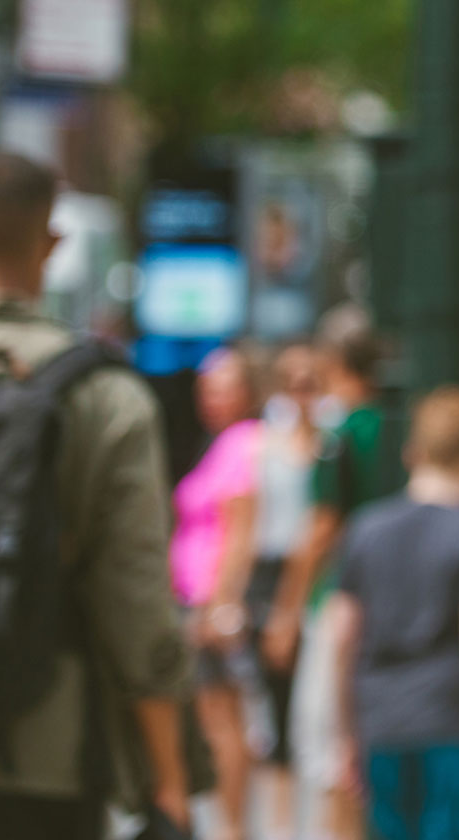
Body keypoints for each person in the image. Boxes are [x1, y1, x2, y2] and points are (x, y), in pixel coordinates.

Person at [0, 150, 192, 838]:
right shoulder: (106, 396)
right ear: (52, 244)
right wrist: (171, 778)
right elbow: (136, 597)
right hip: (50, 752)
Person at [330, 385, 459, 837]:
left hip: (382, 722)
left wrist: (346, 732)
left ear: (413, 452)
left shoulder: (364, 531)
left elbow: (342, 636)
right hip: (456, 728)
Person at [263, 328, 388, 840]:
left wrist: (286, 611)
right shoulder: (391, 426)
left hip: (337, 602)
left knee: (327, 742)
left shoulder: (339, 438)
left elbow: (320, 529)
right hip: (386, 604)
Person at [171, 345, 265, 840]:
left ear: (248, 392)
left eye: (224, 387)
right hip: (197, 597)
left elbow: (241, 531)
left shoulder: (244, 444)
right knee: (214, 719)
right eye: (206, 388)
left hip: (212, 603)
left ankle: (233, 830)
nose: (212, 398)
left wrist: (219, 603)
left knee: (225, 721)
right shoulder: (220, 443)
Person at [249, 341, 325, 832]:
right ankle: (280, 825)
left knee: (315, 712)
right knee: (275, 710)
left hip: (315, 576)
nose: (301, 393)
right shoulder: (262, 444)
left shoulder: (331, 445)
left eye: (310, 382)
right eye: (293, 382)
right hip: (272, 573)